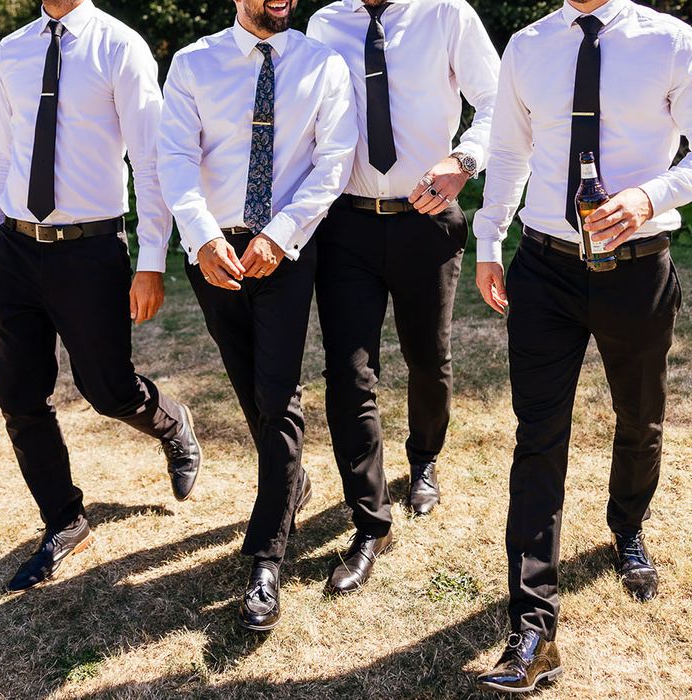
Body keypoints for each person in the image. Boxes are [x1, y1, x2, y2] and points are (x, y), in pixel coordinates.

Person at [473, 0, 691, 692]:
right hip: (545, 269)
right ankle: (532, 628)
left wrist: (651, 196)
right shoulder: (529, 44)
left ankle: (626, 525)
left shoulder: (672, 41)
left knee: (640, 415)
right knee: (537, 438)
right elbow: (507, 150)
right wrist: (488, 240)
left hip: (637, 268)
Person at [0, 0, 202, 593]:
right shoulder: (12, 50)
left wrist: (152, 260)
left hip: (91, 248)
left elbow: (149, 162)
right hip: (15, 248)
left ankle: (173, 424)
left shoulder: (119, 46)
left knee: (108, 390)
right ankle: (64, 520)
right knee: (18, 395)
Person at [157, 0, 357, 631]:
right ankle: (289, 483)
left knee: (277, 394)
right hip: (211, 252)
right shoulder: (193, 64)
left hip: (284, 251)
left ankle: (266, 559)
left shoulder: (322, 63)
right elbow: (175, 159)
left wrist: (280, 234)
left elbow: (333, 162)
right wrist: (199, 235)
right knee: (249, 386)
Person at [306, 0, 499, 594]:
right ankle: (369, 521)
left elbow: (499, 103)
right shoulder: (323, 24)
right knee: (348, 373)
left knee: (428, 360)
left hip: (428, 221)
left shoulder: (448, 14)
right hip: (346, 226)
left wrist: (464, 161)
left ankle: (425, 459)